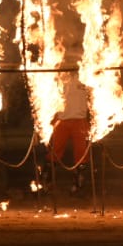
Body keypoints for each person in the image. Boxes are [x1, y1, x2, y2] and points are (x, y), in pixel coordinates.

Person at [40, 59, 91, 195]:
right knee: (55, 151)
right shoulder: (59, 78)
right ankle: (46, 182)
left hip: (80, 120)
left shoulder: (86, 77)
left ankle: (78, 184)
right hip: (61, 119)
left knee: (81, 153)